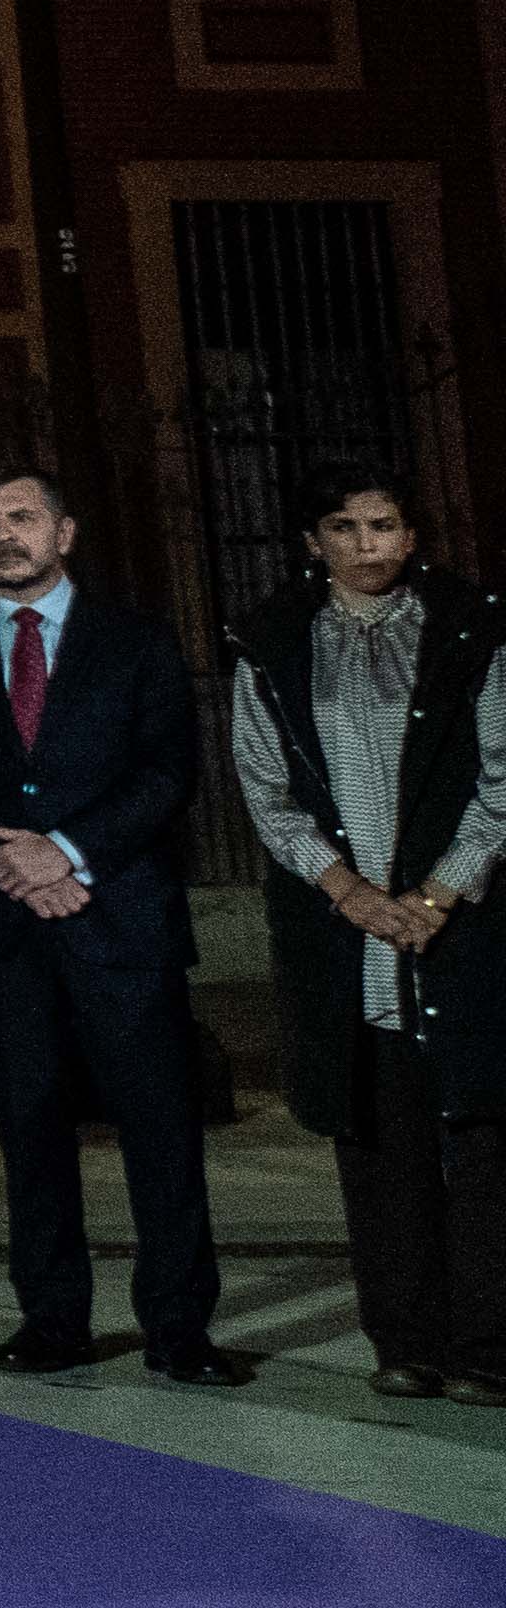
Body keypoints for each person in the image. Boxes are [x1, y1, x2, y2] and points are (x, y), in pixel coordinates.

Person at [0, 460, 247, 1385]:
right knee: (30, 1128)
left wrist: (65, 852)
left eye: (22, 517)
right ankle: (53, 1321)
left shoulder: (137, 643)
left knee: (160, 1129)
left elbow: (167, 772)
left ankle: (179, 1330)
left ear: (64, 533)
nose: (3, 535)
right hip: (7, 930)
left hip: (121, 921)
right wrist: (18, 864)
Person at [233, 465, 506, 1401]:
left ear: (412, 535)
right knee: (378, 1139)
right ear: (314, 543)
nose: (366, 545)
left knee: (482, 1138)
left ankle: (488, 1347)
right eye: (343, 528)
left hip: (463, 924)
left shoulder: (474, 629)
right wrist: (348, 893)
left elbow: (502, 778)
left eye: (383, 525)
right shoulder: (272, 642)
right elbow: (266, 790)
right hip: (345, 935)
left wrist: (439, 894)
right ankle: (404, 1340)